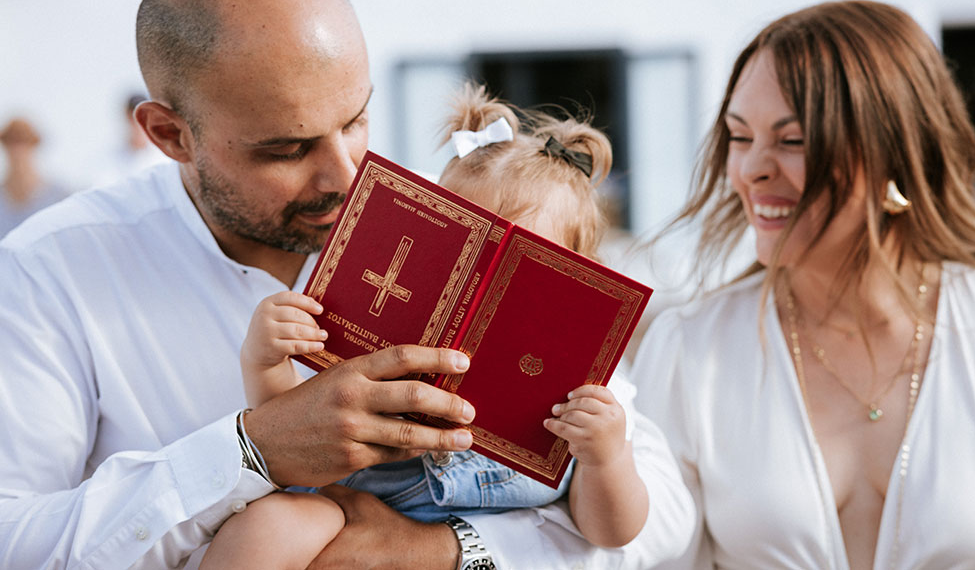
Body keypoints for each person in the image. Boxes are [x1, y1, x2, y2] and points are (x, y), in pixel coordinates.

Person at [0, 0, 694, 569]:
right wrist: (250, 449)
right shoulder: (49, 272)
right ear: (168, 134)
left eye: (356, 118)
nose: (345, 175)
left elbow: (663, 512)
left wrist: (446, 551)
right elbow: (14, 541)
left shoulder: (455, 226)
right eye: (288, 148)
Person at [200, 83, 651, 569]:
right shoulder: (379, 340)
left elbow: (609, 532)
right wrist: (265, 359)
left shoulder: (588, 394)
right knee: (270, 524)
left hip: (480, 548)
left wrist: (606, 458)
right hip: (349, 510)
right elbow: (288, 430)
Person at [631, 0, 975, 569]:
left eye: (793, 140)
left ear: (893, 150)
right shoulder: (690, 350)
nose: (752, 169)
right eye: (739, 136)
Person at [0, 117, 69, 238]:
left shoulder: (59, 195)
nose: (17, 151)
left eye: (23, 142)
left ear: (34, 145)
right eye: (11, 142)